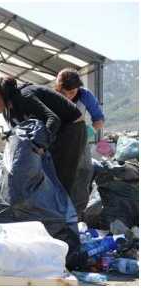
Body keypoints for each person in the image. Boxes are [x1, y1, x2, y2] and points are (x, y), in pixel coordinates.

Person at [0, 76, 85, 198]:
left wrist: (40, 145)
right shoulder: (8, 111)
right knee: (44, 174)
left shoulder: (23, 96)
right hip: (55, 131)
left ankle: (63, 214)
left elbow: (53, 119)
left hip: (71, 127)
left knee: (60, 177)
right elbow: (19, 133)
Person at [55, 68, 105, 215]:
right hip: (59, 143)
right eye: (65, 92)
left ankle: (78, 215)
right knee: (59, 177)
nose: (69, 96)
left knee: (82, 174)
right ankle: (57, 213)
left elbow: (99, 120)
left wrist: (88, 133)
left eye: (72, 92)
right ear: (59, 88)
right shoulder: (52, 96)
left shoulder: (85, 95)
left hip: (79, 141)